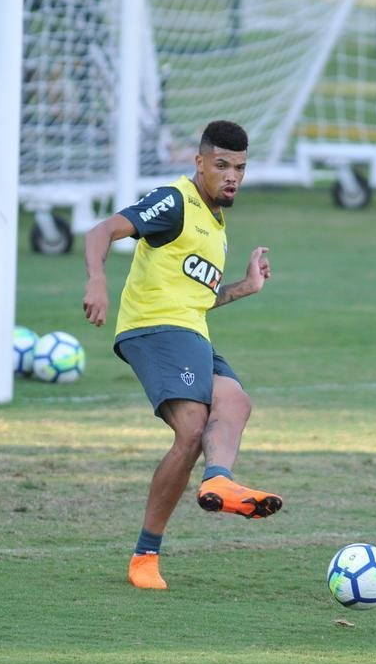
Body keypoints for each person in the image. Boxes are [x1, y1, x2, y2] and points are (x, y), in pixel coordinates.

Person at [82, 120, 282, 591]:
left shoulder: (215, 225)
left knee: (235, 401)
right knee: (191, 428)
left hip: (191, 330)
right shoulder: (174, 201)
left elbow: (199, 297)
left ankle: (218, 481)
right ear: (199, 163)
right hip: (154, 329)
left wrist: (247, 287)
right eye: (221, 166)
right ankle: (145, 557)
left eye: (239, 168)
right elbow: (102, 230)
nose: (231, 176)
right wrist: (96, 279)